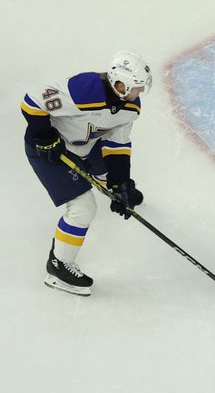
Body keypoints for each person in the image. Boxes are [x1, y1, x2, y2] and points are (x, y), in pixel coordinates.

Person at [21, 51, 153, 296]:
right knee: (83, 208)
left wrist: (121, 185)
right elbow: (32, 102)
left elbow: (117, 144)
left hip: (85, 144)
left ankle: (114, 187)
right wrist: (45, 137)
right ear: (119, 83)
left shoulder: (130, 107)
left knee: (108, 168)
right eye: (136, 87)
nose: (139, 94)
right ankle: (58, 266)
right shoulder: (84, 91)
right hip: (50, 152)